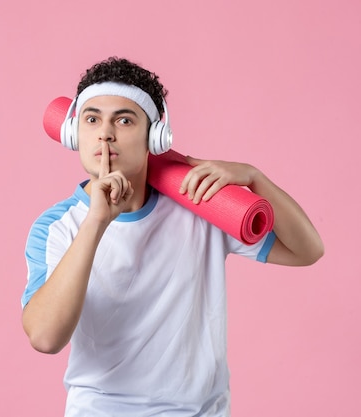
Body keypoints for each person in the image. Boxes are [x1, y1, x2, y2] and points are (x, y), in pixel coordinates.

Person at [21, 57, 324, 417]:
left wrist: (254, 178)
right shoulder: (56, 226)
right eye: (91, 119)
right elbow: (45, 338)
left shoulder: (201, 206)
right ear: (74, 133)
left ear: (155, 137)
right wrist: (97, 222)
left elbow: (308, 249)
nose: (105, 133)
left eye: (124, 119)